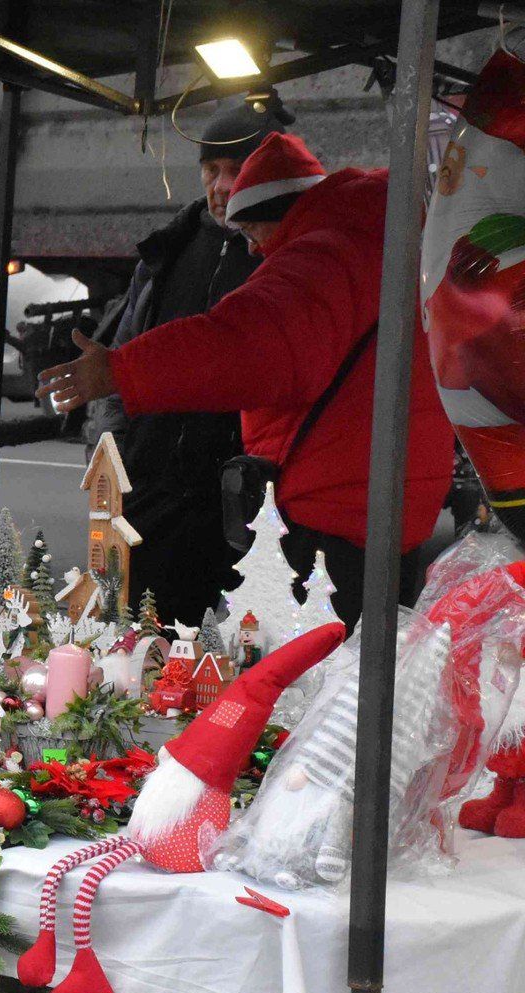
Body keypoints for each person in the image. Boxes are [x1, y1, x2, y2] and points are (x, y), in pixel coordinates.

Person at [39, 131, 455, 625]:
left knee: (308, 679)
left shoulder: (322, 254)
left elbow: (239, 343)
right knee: (359, 674)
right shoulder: (381, 233)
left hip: (335, 512)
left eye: (254, 235)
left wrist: (120, 370)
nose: (255, 252)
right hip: (385, 499)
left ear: (275, 213)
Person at [82, 94, 287, 625]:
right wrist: (110, 460)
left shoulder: (283, 257)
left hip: (239, 504)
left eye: (237, 170)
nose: (221, 186)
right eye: (210, 170)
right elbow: (124, 357)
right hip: (154, 490)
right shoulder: (168, 250)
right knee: (144, 649)